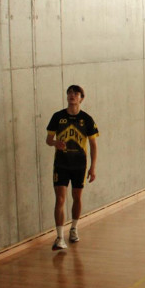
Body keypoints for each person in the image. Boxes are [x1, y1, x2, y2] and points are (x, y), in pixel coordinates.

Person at [45, 85, 99, 250]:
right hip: (61, 164)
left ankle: (74, 229)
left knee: (77, 197)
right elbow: (48, 140)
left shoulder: (87, 119)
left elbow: (93, 145)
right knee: (60, 199)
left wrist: (92, 167)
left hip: (79, 165)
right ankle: (59, 237)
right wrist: (55, 143)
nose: (72, 96)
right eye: (69, 93)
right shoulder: (57, 117)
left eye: (75, 93)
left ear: (81, 98)